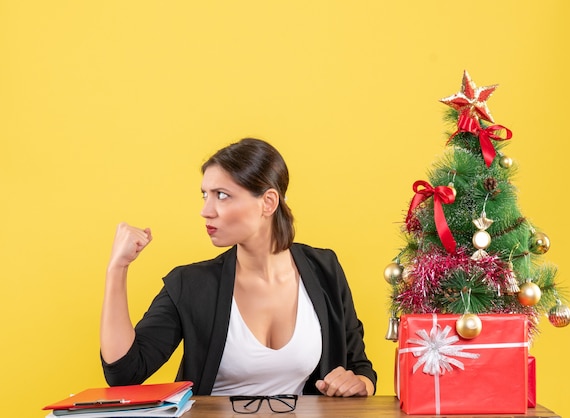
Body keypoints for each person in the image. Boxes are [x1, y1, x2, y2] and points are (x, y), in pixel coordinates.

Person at [100, 137, 377, 397]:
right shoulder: (190, 284)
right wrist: (117, 268)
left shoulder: (324, 269)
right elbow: (124, 373)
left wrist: (360, 384)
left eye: (221, 195)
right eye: (204, 195)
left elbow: (360, 367)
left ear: (268, 202)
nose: (206, 210)